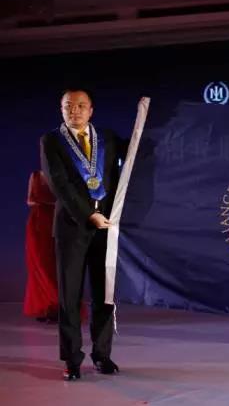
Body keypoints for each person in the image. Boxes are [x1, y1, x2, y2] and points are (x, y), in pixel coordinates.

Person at [41, 88, 126, 381]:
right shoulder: (51, 140)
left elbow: (134, 157)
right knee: (70, 296)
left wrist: (148, 121)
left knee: (104, 295)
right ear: (61, 110)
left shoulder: (108, 138)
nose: (74, 111)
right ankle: (72, 359)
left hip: (106, 228)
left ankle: (102, 355)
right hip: (72, 227)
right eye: (68, 106)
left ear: (91, 110)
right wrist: (88, 214)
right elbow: (59, 184)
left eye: (80, 106)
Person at [23, 170, 59, 322]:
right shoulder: (35, 176)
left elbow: (62, 200)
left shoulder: (57, 175)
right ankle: (46, 306)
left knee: (52, 265)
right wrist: (43, 202)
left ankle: (56, 307)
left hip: (53, 222)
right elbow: (29, 200)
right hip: (37, 223)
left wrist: (49, 203)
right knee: (38, 264)